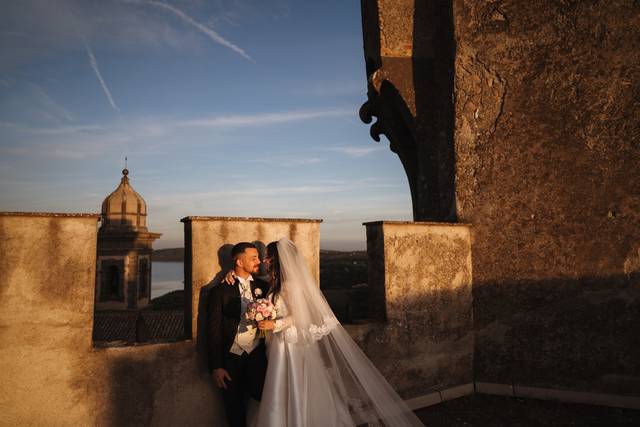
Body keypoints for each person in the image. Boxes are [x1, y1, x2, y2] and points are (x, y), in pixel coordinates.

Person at [226, 239, 424, 427]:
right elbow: (250, 281)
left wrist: (274, 325)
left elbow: (300, 316)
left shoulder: (290, 286)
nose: (265, 260)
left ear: (277, 259)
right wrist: (232, 274)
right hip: (274, 345)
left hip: (288, 346)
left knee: (291, 386)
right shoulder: (273, 283)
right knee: (278, 389)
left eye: (268, 256)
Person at [208, 242, 271, 427]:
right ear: (239, 262)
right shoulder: (219, 291)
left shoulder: (263, 286)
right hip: (230, 359)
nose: (258, 261)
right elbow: (213, 330)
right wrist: (216, 366)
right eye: (253, 258)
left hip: (258, 356)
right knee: (234, 410)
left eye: (258, 257)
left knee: (265, 401)